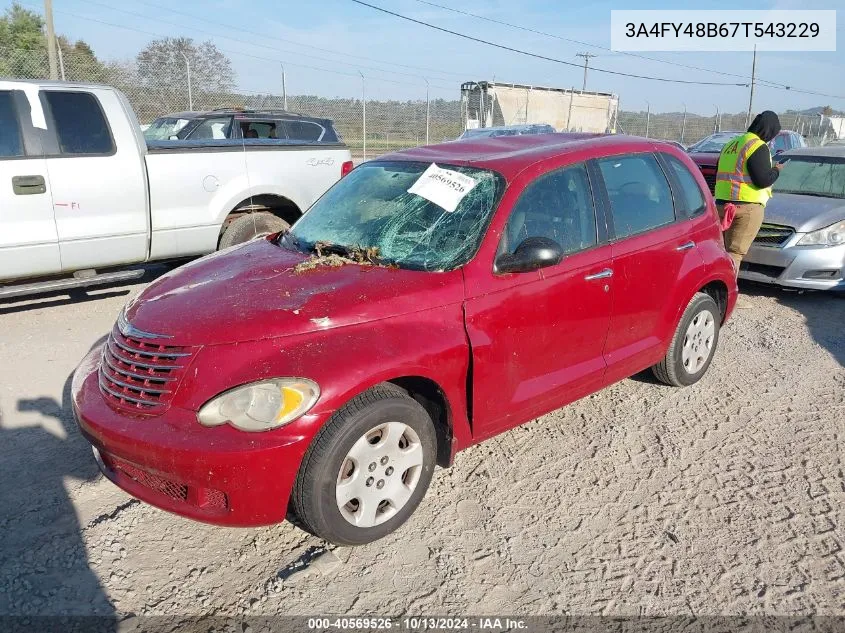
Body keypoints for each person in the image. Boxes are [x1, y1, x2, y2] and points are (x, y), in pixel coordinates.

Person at [714, 110, 785, 276]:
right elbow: (763, 180)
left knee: (720, 251)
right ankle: (726, 294)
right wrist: (776, 170)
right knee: (734, 254)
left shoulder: (731, 144)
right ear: (769, 130)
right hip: (746, 207)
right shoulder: (757, 146)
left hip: (722, 206)